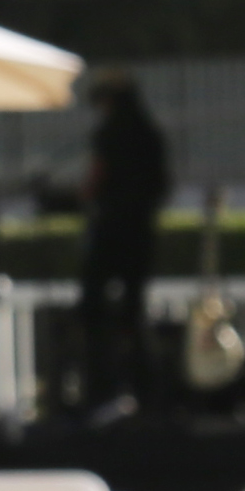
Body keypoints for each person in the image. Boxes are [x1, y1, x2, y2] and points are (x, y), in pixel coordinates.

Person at [77, 74, 169, 413]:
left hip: (112, 229)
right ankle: (146, 388)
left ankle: (102, 385)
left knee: (94, 308)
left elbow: (95, 180)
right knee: (133, 311)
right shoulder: (151, 135)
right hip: (141, 233)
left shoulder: (109, 134)